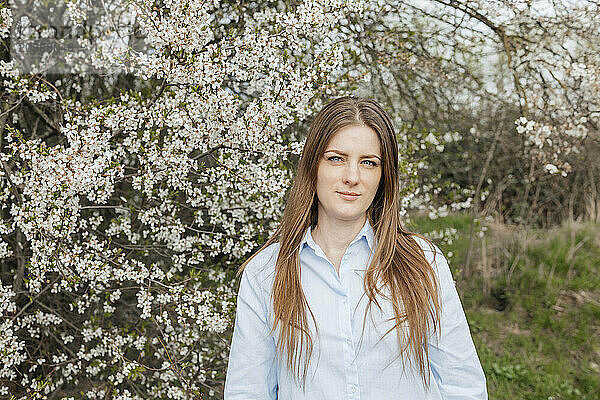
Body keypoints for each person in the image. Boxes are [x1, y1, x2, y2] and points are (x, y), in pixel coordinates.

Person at [224, 97, 487, 399]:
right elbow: (248, 391)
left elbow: (463, 386)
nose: (352, 177)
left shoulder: (422, 262)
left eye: (368, 162)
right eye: (336, 158)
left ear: (383, 176)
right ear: (313, 166)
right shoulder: (266, 273)